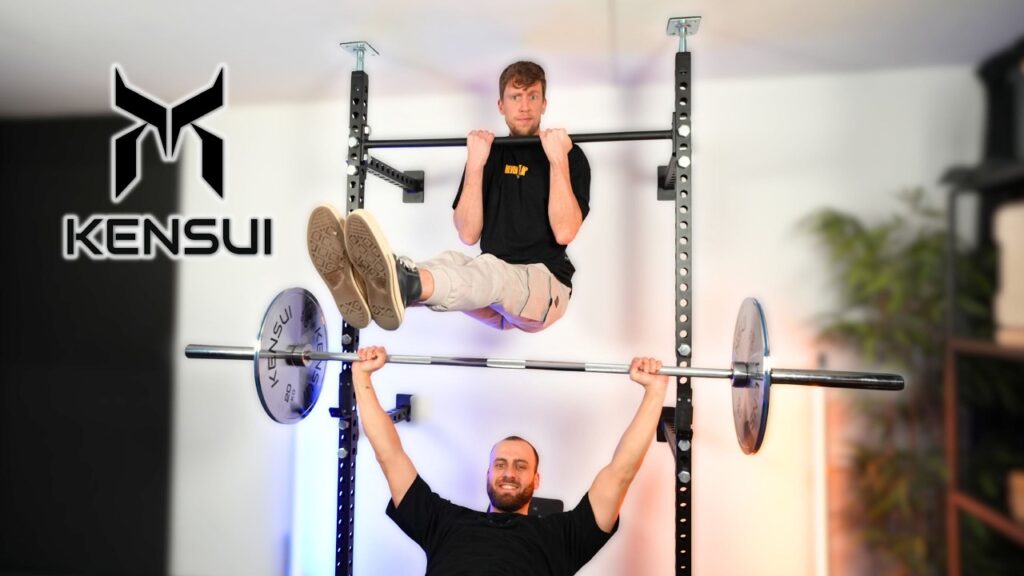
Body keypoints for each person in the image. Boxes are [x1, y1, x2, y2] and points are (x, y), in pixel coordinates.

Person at [307, 60, 590, 332]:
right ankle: (367, 285)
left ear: (544, 103)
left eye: (533, 96)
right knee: (452, 261)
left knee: (490, 272)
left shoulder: (568, 156)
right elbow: (468, 234)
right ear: (501, 106)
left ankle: (403, 283)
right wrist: (476, 164)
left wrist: (557, 160)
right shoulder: (489, 154)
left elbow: (565, 231)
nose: (525, 106)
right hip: (494, 298)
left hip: (544, 290)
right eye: (516, 97)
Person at [350, 345, 669, 574]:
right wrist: (362, 377)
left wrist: (655, 391)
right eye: (500, 464)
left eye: (520, 466)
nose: (509, 473)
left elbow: (621, 472)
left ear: (536, 479)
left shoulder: (562, 537)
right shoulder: (444, 522)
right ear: (487, 473)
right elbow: (389, 455)